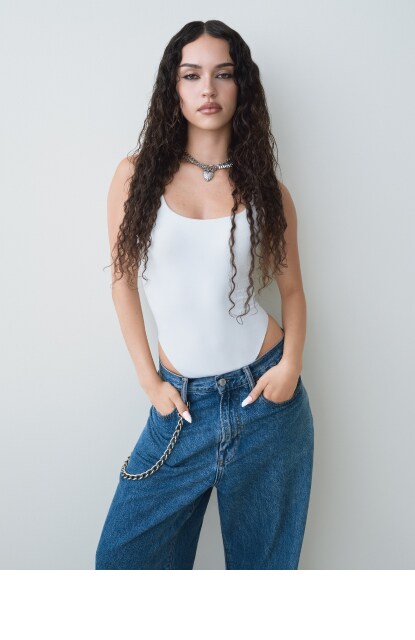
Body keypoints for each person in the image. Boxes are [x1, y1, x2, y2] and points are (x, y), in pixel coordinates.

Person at [95, 19, 314, 570]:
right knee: (121, 564)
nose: (208, 89)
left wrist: (290, 366)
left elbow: (292, 290)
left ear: (242, 87)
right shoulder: (136, 176)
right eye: (192, 75)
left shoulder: (268, 192)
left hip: (265, 403)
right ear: (173, 87)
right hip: (180, 408)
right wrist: (150, 382)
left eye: (223, 74)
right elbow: (122, 283)